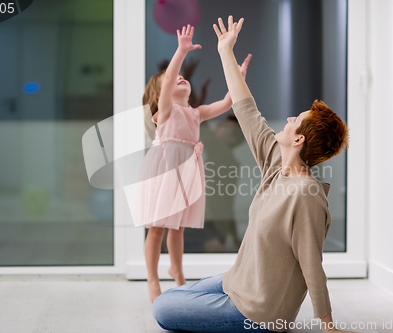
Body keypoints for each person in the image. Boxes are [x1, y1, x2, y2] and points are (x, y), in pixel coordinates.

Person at [152, 16, 357, 333]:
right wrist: (225, 52)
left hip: (257, 312)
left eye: (295, 120)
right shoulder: (277, 164)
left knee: (163, 308)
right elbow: (247, 110)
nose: (288, 118)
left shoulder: (306, 197)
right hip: (235, 282)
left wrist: (327, 325)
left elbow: (312, 264)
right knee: (174, 294)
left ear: (299, 139)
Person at [135, 24, 251, 303]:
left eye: (183, 78)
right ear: (160, 92)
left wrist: (238, 75)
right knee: (157, 228)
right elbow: (172, 74)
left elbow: (226, 102)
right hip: (163, 170)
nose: (181, 79)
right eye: (174, 80)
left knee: (178, 227)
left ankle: (177, 270)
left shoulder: (195, 113)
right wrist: (181, 50)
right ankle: (153, 278)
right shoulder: (165, 110)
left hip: (185, 172)